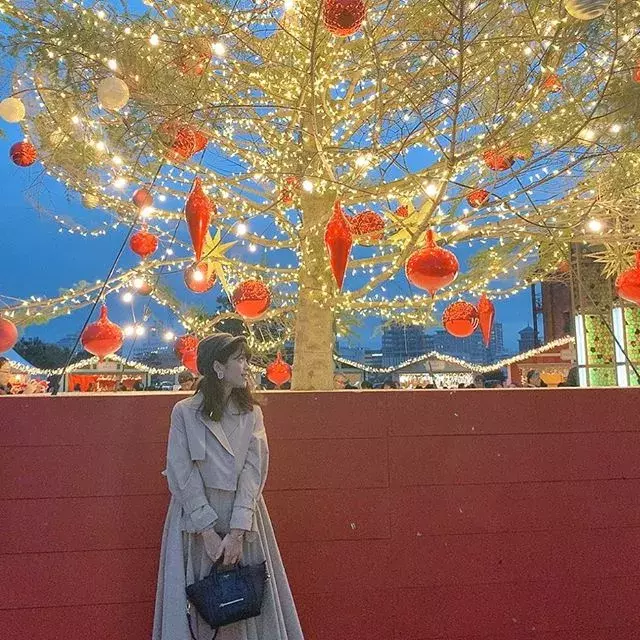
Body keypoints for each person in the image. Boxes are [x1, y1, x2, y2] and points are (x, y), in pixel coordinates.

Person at [153, 332, 304, 640]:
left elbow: (254, 470)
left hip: (243, 517)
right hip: (195, 522)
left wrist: (236, 533)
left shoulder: (252, 413)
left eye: (246, 359)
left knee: (246, 598)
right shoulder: (184, 412)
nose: (246, 366)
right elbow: (181, 471)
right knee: (198, 608)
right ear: (218, 367)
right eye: (239, 359)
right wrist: (208, 531)